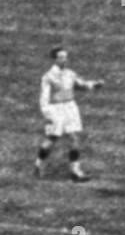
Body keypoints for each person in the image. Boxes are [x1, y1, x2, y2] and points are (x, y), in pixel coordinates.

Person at [35, 47, 103, 182]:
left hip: (70, 108)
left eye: (65, 57)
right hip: (56, 110)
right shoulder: (48, 77)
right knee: (52, 139)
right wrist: (49, 115)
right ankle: (39, 164)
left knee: (74, 138)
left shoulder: (70, 73)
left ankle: (75, 172)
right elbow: (44, 99)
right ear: (54, 59)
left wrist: (94, 85)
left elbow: (80, 85)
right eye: (61, 57)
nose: (64, 60)